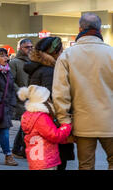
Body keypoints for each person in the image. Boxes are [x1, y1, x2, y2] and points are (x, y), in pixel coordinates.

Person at [53, 13, 113, 170]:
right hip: (111, 122)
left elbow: (60, 94)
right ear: (99, 29)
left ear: (79, 29)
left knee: (85, 165)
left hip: (82, 123)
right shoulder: (111, 53)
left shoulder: (67, 56)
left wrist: (65, 122)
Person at [23, 37, 75, 170]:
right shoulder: (50, 71)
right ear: (55, 52)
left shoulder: (39, 68)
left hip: (42, 122)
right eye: (61, 50)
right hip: (52, 123)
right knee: (57, 161)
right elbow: (53, 98)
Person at [18, 85, 73, 170]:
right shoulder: (41, 117)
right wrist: (66, 126)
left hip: (36, 160)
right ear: (44, 100)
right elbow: (55, 135)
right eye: (48, 98)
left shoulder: (29, 115)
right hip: (46, 161)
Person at [10, 39, 33, 159]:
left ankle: (18, 149)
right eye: (26, 47)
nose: (29, 49)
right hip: (21, 99)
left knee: (26, 125)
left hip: (32, 98)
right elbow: (11, 81)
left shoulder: (33, 61)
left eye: (31, 46)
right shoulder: (14, 62)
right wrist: (20, 92)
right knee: (26, 124)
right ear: (20, 48)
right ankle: (20, 149)